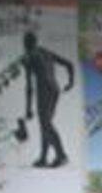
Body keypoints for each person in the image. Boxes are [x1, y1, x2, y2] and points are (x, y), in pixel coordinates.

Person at [21, 30, 76, 169]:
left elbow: (29, 87)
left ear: (26, 45)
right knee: (46, 124)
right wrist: (71, 82)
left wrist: (28, 109)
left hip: (44, 90)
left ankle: (61, 156)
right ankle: (43, 158)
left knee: (45, 124)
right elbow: (69, 64)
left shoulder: (29, 57)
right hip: (55, 89)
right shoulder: (45, 51)